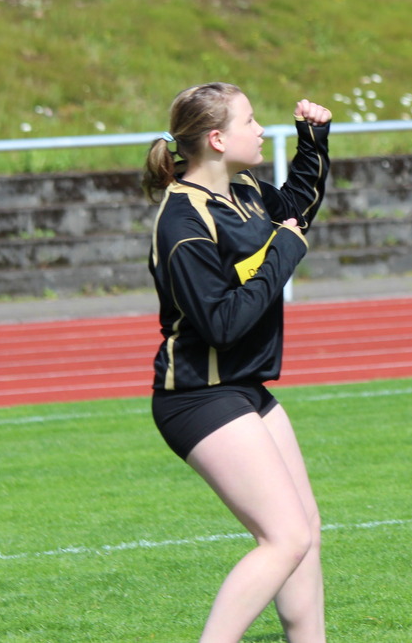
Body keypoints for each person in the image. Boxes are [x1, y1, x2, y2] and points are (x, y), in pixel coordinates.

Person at [142, 82, 333, 643]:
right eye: (251, 121)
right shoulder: (181, 221)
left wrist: (313, 139)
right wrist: (284, 253)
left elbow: (296, 211)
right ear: (219, 139)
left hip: (243, 387)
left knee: (306, 530)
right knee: (285, 537)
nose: (261, 129)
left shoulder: (244, 189)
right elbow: (222, 322)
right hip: (197, 395)